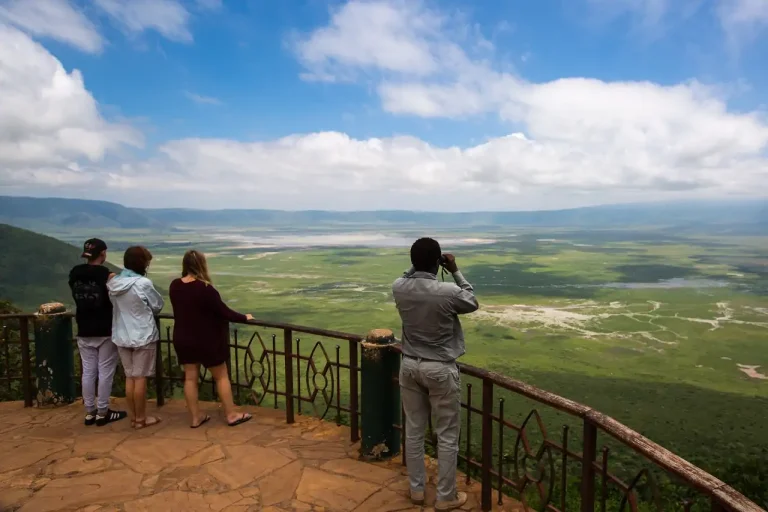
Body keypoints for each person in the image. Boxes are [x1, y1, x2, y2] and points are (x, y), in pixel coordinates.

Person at [392, 238, 479, 511]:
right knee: (447, 435)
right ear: (437, 261)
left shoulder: (399, 287)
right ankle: (445, 497)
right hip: (440, 368)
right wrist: (454, 270)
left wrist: (417, 266)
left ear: (412, 261)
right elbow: (471, 300)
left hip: (409, 365)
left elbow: (407, 275)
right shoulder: (448, 292)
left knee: (414, 431)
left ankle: (417, 491)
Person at [169, 250, 253, 428]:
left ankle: (195, 417)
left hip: (183, 339)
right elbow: (224, 312)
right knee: (221, 377)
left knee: (190, 378)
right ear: (202, 265)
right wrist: (244, 317)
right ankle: (231, 414)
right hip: (206, 340)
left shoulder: (175, 285)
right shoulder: (205, 289)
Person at [68, 238, 127, 427]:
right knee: (105, 372)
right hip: (105, 328)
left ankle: (89, 412)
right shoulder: (106, 275)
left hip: (84, 327)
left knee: (88, 371)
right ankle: (102, 412)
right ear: (103, 253)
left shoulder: (75, 273)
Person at [108, 246, 164, 429]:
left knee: (130, 377)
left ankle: (134, 417)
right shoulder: (143, 283)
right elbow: (157, 305)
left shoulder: (114, 283)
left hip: (121, 334)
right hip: (143, 334)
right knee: (140, 378)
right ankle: (141, 418)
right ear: (142, 263)